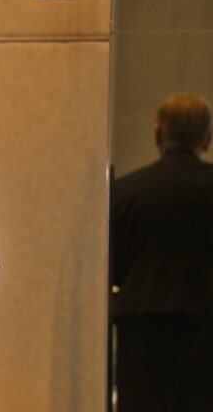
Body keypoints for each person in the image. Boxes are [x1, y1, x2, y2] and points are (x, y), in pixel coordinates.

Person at [112, 93, 213, 412]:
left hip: (141, 324)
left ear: (158, 134)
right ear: (207, 138)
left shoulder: (125, 192)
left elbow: (110, 265)